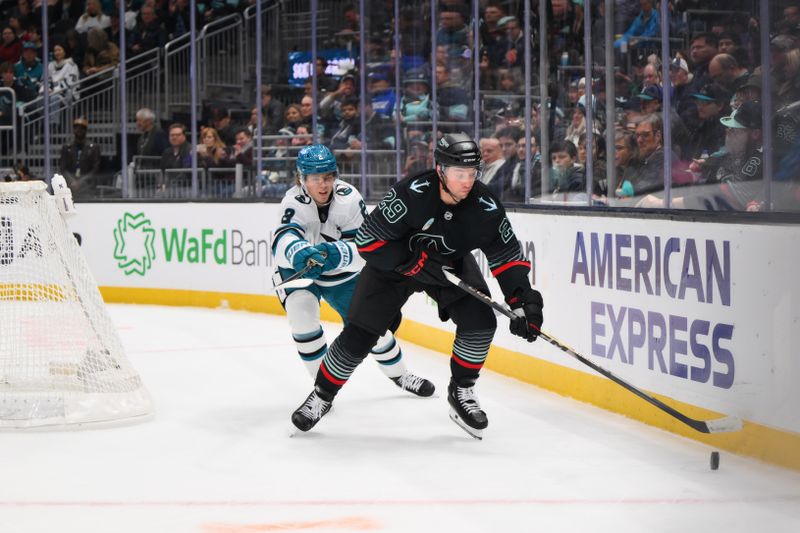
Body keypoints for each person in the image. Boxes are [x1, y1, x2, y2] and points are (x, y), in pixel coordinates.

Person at [289, 133, 545, 439]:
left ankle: (461, 391)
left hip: (447, 265)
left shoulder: (485, 206)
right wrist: (411, 260)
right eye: (459, 174)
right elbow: (368, 240)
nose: (467, 181)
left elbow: (507, 257)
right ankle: (322, 394)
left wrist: (522, 300)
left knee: (481, 322)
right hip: (393, 267)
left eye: (472, 173)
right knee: (360, 334)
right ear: (440, 170)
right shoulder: (412, 192)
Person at [271, 144, 435, 396]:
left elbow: (367, 249)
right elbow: (282, 240)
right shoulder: (292, 202)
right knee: (302, 317)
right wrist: (299, 252)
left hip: (341, 273)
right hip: (300, 272)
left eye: (328, 177)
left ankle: (401, 375)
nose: (323, 185)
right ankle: (322, 389)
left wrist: (337, 254)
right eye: (315, 178)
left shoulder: (349, 199)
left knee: (372, 329)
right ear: (301, 179)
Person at [59, 116, 102, 199]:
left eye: (81, 128)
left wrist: (80, 182)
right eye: (76, 128)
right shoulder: (67, 147)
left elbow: (96, 169)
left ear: (85, 130)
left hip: (87, 187)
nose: (79, 130)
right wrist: (72, 181)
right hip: (69, 186)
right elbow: (63, 168)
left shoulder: (93, 148)